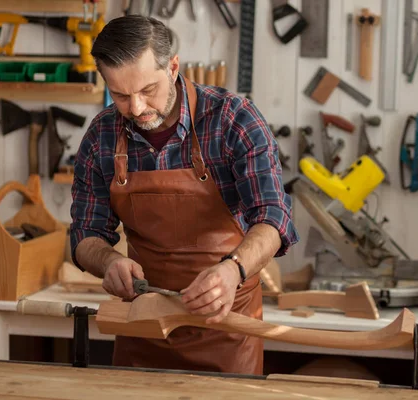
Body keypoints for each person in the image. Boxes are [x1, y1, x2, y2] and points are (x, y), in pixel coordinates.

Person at [69, 15, 299, 375]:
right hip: (143, 332)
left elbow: (274, 218)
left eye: (147, 90)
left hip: (227, 329)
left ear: (173, 66)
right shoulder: (101, 135)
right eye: (121, 95)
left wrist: (232, 269)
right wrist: (108, 263)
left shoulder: (232, 120)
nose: (137, 109)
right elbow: (85, 235)